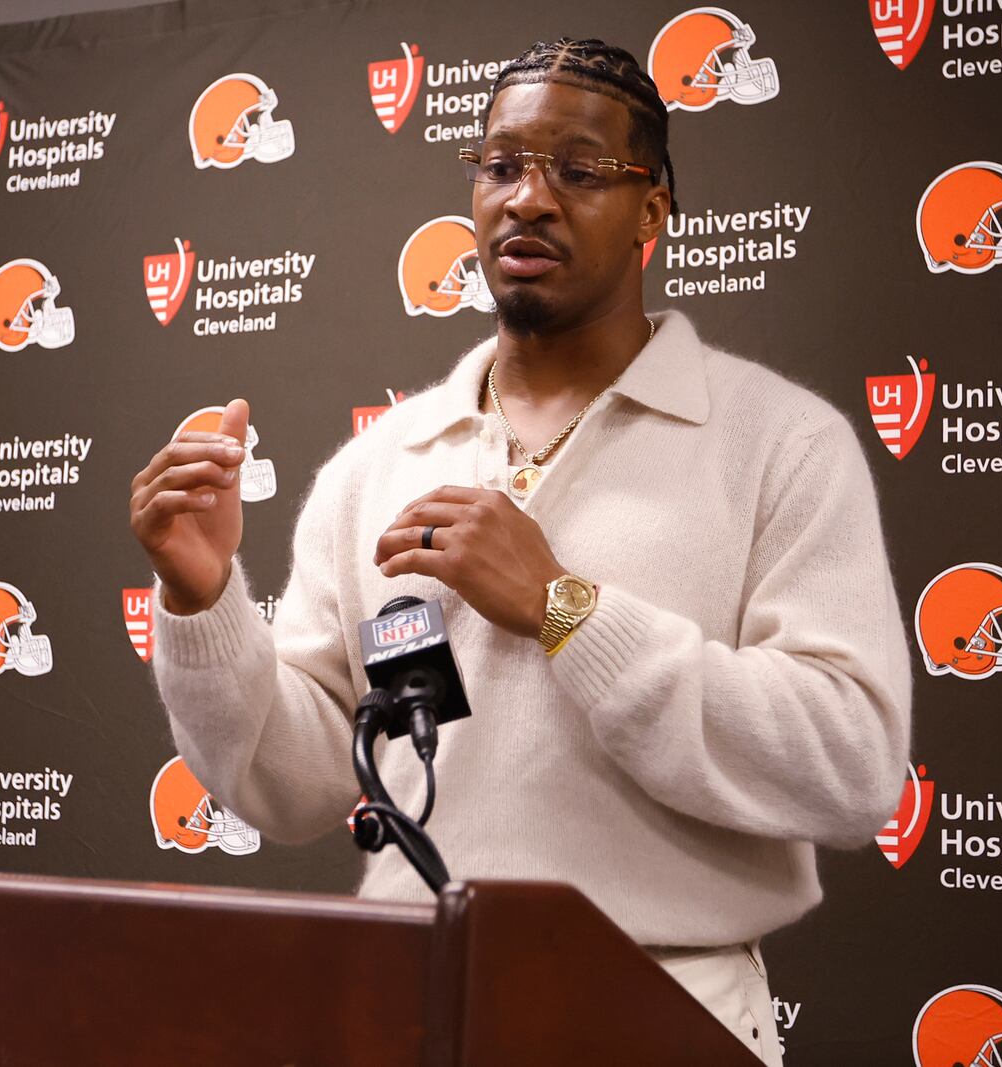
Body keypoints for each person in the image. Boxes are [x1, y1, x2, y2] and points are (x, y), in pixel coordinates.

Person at [129, 37, 911, 1066]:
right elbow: (296, 781)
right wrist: (202, 600)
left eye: (578, 170)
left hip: (663, 1009)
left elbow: (849, 764)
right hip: (411, 1003)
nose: (527, 199)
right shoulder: (379, 464)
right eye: (499, 165)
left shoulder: (777, 443)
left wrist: (568, 611)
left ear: (653, 211)